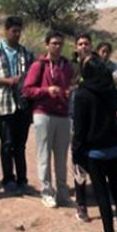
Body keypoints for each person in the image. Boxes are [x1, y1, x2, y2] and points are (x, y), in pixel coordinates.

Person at [73, 53, 117, 232]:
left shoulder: (82, 94)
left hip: (95, 152)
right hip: (114, 147)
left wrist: (76, 154)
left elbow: (79, 128)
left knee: (102, 195)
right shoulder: (111, 91)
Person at [0, 16, 35, 195]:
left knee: (21, 145)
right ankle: (8, 179)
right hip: (4, 105)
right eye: (14, 31)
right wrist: (7, 81)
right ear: (6, 30)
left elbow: (34, 74)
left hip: (23, 105)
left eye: (19, 31)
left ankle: (22, 180)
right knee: (7, 144)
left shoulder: (26, 53)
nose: (17, 34)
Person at [22, 30, 74, 208]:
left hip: (63, 113)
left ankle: (63, 193)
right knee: (43, 154)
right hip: (43, 112)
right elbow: (27, 89)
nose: (57, 47)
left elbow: (71, 84)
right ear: (47, 45)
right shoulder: (39, 65)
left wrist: (69, 92)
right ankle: (46, 192)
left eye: (60, 43)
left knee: (61, 156)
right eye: (54, 43)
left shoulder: (67, 66)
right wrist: (46, 90)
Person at [70, 33, 94, 222]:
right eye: (80, 43)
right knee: (78, 162)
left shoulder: (96, 65)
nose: (83, 46)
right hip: (74, 118)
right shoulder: (71, 67)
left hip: (94, 121)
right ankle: (81, 203)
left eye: (86, 43)